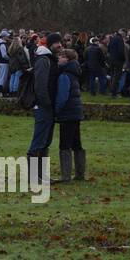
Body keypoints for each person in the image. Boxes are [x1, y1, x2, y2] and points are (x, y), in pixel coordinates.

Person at [24, 32, 63, 186]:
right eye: (57, 43)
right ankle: (34, 176)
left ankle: (42, 175)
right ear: (50, 44)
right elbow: (40, 85)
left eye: (60, 43)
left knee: (45, 141)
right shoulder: (43, 60)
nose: (59, 45)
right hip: (43, 106)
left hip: (49, 106)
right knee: (39, 140)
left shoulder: (50, 59)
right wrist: (46, 103)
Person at [53, 47, 87, 182]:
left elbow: (62, 96)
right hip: (76, 112)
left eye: (61, 56)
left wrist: (57, 110)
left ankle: (66, 176)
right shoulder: (74, 72)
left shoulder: (64, 75)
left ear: (67, 59)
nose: (59, 59)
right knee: (76, 143)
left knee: (65, 144)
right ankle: (80, 173)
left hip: (67, 113)